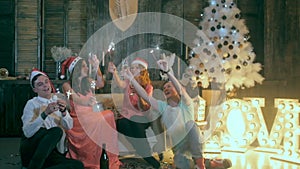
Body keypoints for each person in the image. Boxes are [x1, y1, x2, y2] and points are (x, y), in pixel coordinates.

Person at [122, 59, 232, 169]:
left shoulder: (187, 105)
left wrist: (168, 72)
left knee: (190, 125)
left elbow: (181, 91)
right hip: (179, 149)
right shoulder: (163, 107)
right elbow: (145, 96)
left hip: (193, 142)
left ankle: (200, 164)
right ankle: (209, 163)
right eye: (164, 88)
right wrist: (131, 79)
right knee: (182, 165)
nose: (166, 89)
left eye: (169, 86)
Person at [61, 55, 121, 169]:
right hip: (78, 118)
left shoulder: (88, 82)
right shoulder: (66, 86)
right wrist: (87, 101)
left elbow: (100, 84)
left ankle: (104, 155)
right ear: (76, 69)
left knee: (109, 115)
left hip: (91, 114)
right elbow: (74, 98)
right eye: (84, 66)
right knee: (104, 116)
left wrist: (96, 66)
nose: (87, 69)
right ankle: (92, 159)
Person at [20, 69, 84, 169]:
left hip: (51, 153)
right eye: (40, 84)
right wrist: (45, 114)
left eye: (46, 82)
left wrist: (63, 112)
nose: (45, 85)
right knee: (56, 131)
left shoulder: (57, 100)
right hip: (33, 151)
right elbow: (27, 132)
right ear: (35, 90)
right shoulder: (31, 104)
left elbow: (69, 126)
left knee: (78, 166)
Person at [108, 58, 161, 168]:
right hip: (126, 115)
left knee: (136, 124)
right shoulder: (128, 82)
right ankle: (144, 153)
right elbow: (120, 84)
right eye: (131, 68)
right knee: (122, 124)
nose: (132, 69)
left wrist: (138, 92)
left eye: (135, 67)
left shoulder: (148, 87)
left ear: (142, 70)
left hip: (141, 115)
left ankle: (146, 154)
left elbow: (145, 107)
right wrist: (115, 73)